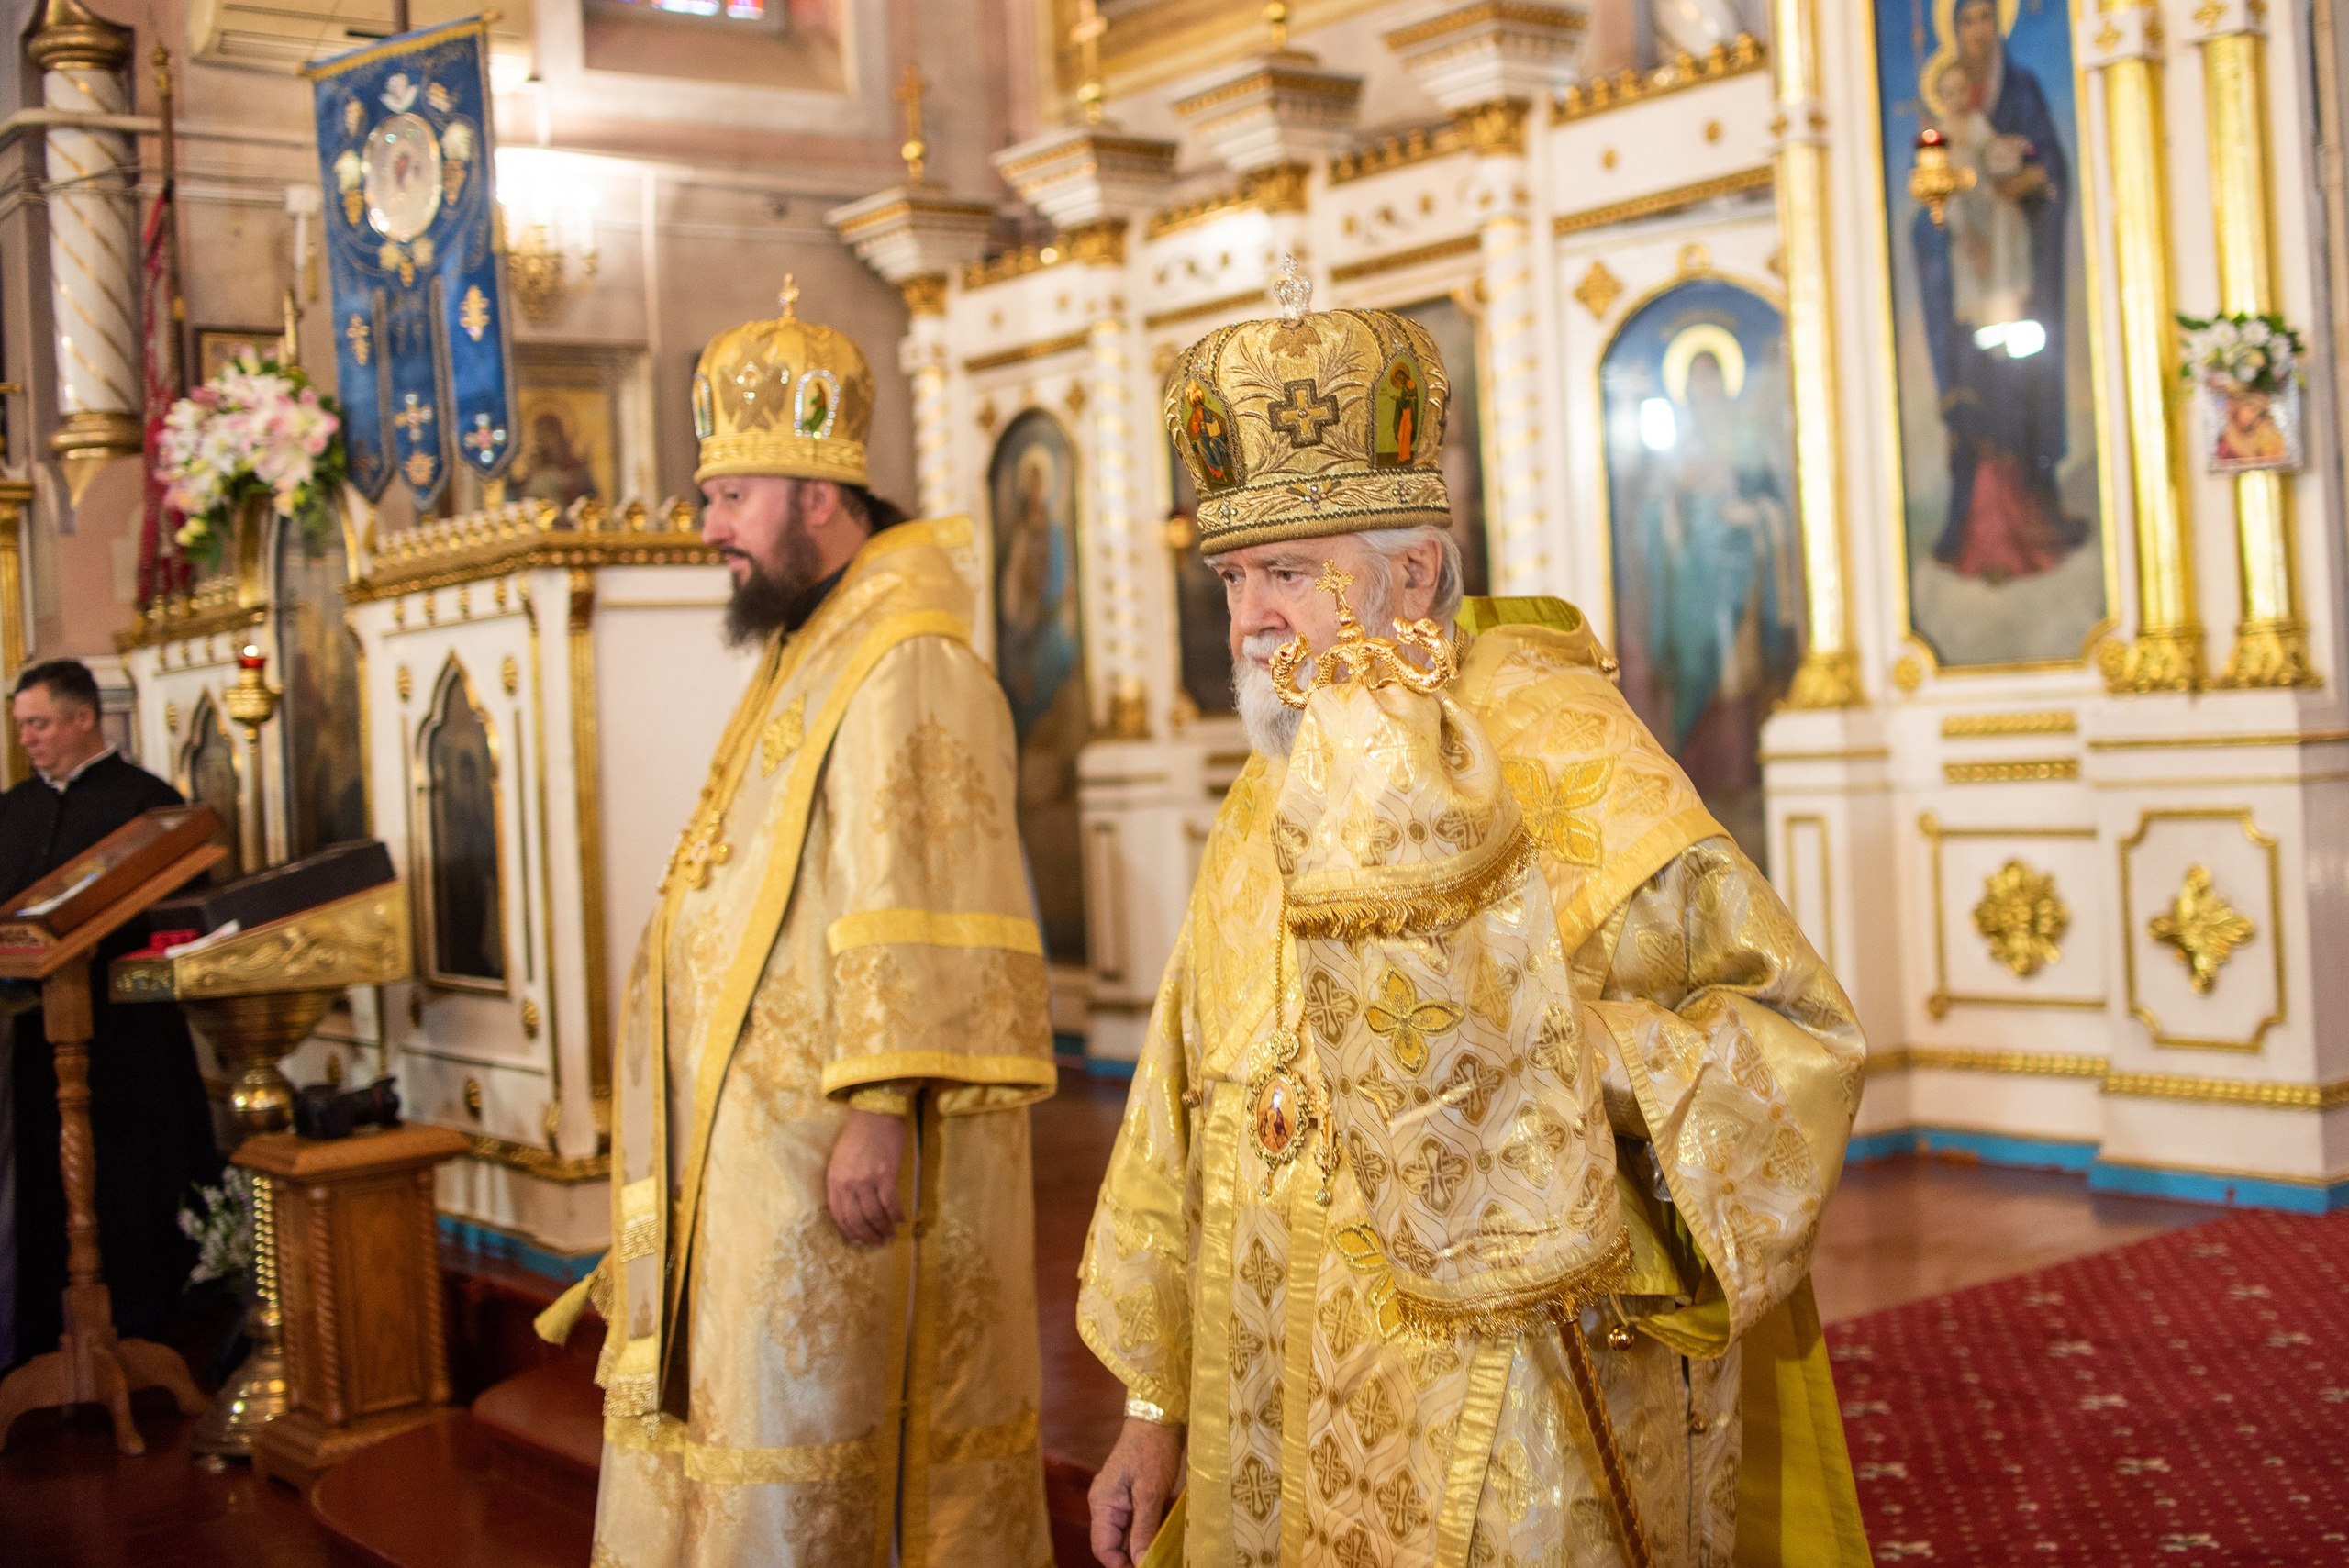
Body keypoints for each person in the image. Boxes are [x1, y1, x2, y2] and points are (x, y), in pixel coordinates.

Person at [1080, 272, 1870, 1567]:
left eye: (1287, 569)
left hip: (1508, 1424)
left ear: (1416, 569)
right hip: (1269, 1405)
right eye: (1232, 576)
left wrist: (1571, 1052)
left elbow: (1794, 1046)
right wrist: (1152, 1409)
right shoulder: (1264, 798)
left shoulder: (1571, 753)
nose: (1251, 619)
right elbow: (1181, 1115)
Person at [536, 283, 1057, 1568]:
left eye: (731, 498)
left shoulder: (905, 652)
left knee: (815, 1428)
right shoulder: (812, 640)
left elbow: (925, 887)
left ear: (819, 499)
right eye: (711, 495)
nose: (708, 524)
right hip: (752, 1141)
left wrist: (880, 1102)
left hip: (831, 1140)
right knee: (744, 1416)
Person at [1, 660, 218, 1370]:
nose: (26, 738)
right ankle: (49, 1331)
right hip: (39, 1036)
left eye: (38, 723)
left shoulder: (148, 804)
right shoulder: (13, 809)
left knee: (134, 1177)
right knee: (46, 1186)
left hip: (131, 1039)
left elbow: (190, 915)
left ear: (84, 717)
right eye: (21, 725)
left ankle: (142, 1325)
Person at [1913, 0, 2087, 584]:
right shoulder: (1949, 131)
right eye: (1965, 20)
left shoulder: (2022, 92)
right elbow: (1936, 204)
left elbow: (2049, 170)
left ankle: (2033, 511)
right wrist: (1955, 228)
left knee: (2021, 389)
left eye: (1986, 17)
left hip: (2019, 271)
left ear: (1999, 25)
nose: (1976, 30)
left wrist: (2024, 183)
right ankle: (1977, 525)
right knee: (1978, 395)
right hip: (1969, 284)